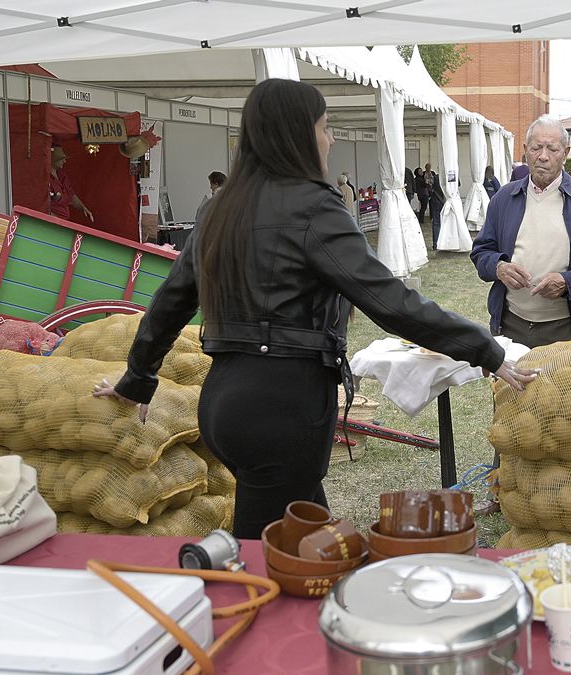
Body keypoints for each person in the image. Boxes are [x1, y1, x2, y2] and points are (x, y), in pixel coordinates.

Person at [92, 79, 536, 539]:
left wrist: (138, 377)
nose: (331, 139)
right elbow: (392, 302)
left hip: (226, 402)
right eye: (325, 127)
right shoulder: (313, 210)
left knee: (311, 535)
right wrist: (486, 350)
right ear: (299, 135)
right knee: (265, 557)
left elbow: (170, 301)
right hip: (282, 407)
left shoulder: (219, 208)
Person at [470, 114, 571, 349]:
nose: (543, 156)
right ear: (525, 150)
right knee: (509, 386)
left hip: (565, 328)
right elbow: (482, 251)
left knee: (560, 386)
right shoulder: (504, 198)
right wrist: (499, 267)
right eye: (535, 148)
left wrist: (567, 282)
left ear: (566, 152)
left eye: (552, 149)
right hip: (510, 323)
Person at [48, 145, 94, 223]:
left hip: (62, 222)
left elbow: (71, 194)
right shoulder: (45, 177)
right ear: (53, 159)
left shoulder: (62, 176)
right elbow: (42, 202)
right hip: (51, 223)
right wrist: (54, 219)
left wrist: (83, 207)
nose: (64, 161)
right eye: (61, 159)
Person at [426, 163, 446, 249]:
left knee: (436, 223)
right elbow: (459, 183)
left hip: (436, 201)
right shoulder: (451, 176)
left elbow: (430, 187)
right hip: (447, 201)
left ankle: (436, 244)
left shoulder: (436, 178)